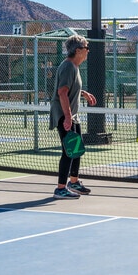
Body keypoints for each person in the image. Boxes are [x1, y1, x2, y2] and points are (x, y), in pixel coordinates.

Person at [49, 34, 97, 199]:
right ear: (78, 50)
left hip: (71, 115)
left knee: (77, 149)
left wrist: (82, 93)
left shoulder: (74, 67)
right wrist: (68, 118)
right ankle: (60, 188)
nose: (88, 51)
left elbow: (69, 88)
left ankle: (74, 182)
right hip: (65, 114)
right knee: (69, 151)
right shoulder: (69, 67)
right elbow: (62, 92)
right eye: (86, 48)